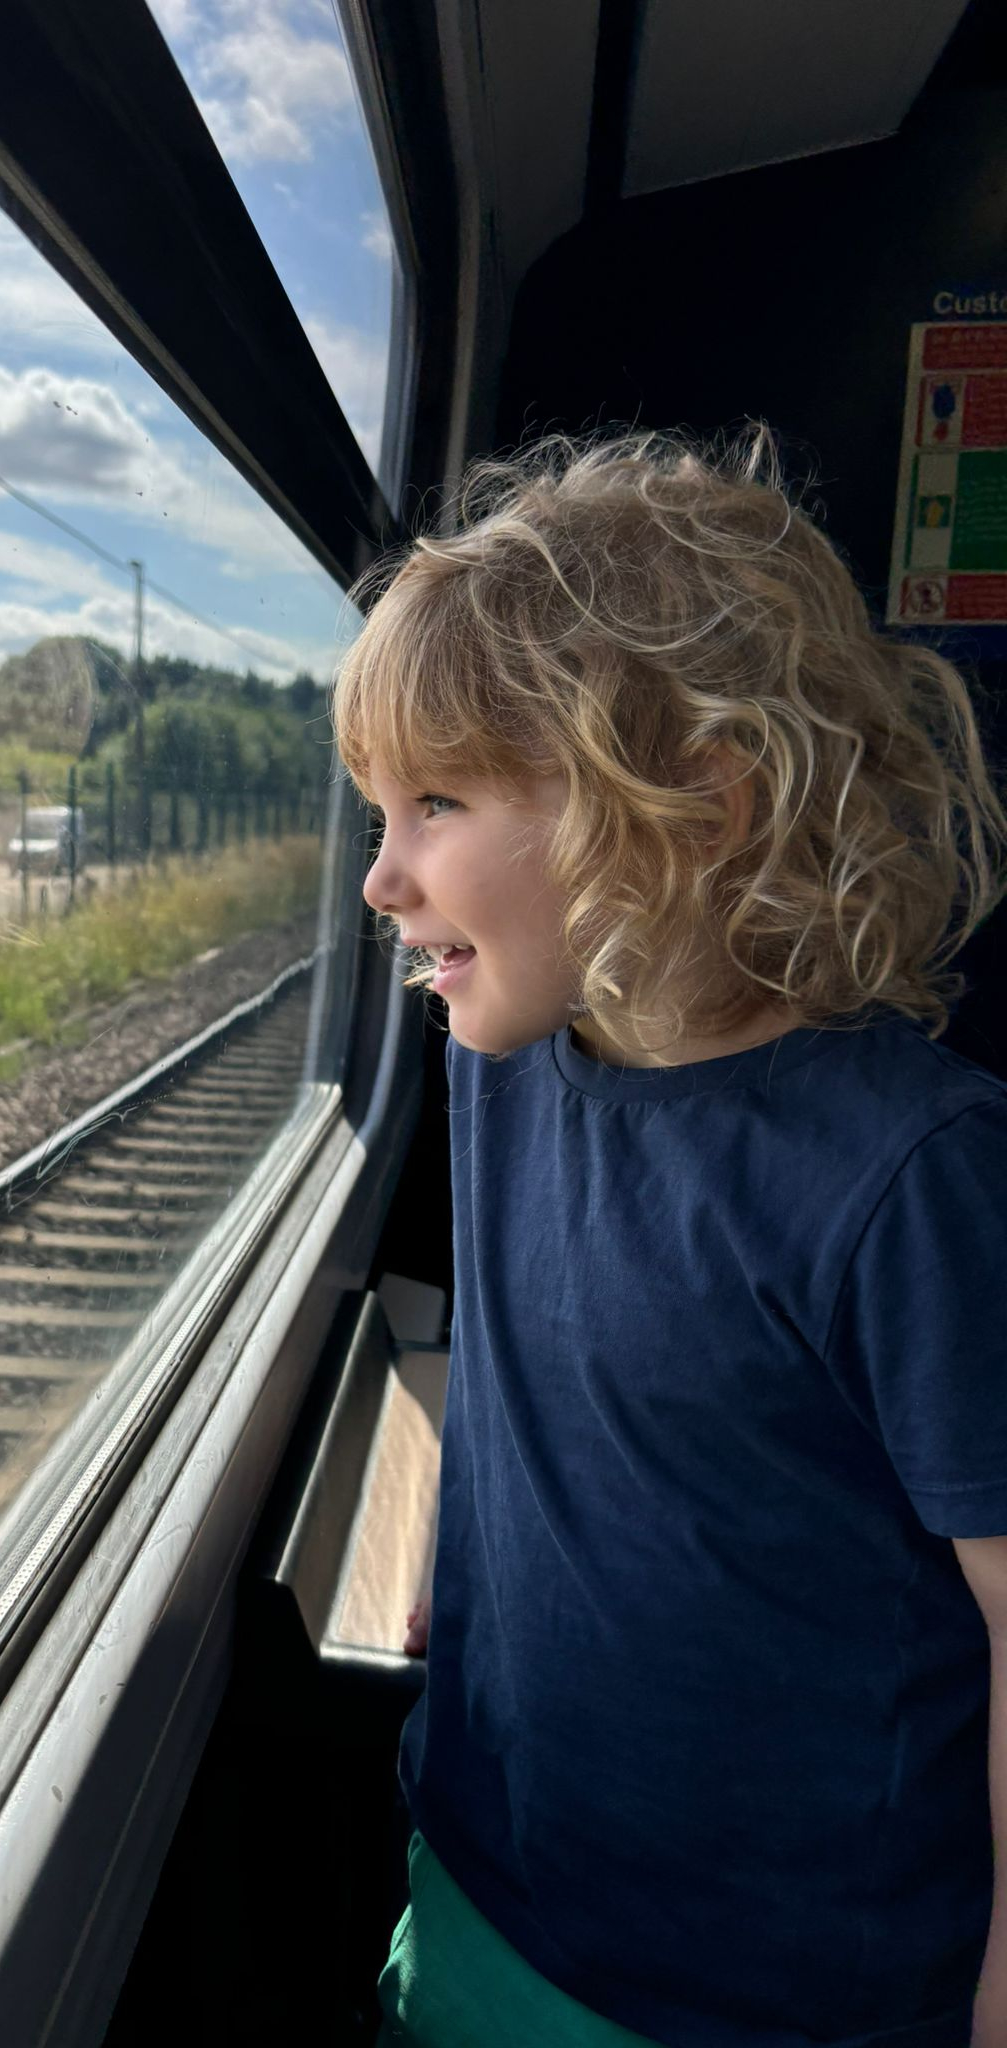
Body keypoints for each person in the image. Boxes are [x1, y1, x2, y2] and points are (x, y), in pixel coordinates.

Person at [329, 426, 1007, 2048]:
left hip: (768, 1994)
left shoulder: (912, 1176)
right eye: (377, 809)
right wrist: (485, 1559)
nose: (379, 879)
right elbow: (545, 1357)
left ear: (697, 801)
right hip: (483, 1877)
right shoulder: (501, 1061)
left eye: (438, 801)